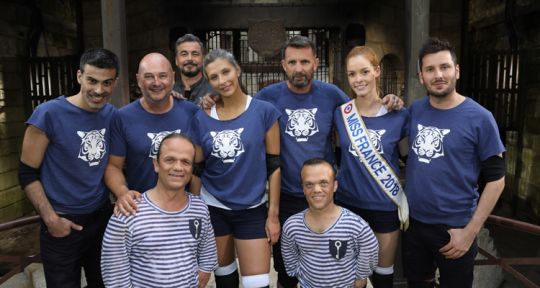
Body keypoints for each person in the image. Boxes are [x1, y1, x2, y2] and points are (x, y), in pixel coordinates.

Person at [403, 37, 505, 287]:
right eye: (430, 69)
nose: (438, 75)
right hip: (413, 225)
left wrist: (469, 233)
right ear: (421, 76)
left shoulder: (481, 118)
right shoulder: (415, 110)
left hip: (455, 229)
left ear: (456, 71)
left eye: (445, 67)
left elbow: (497, 180)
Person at [18, 48, 119, 287]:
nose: (98, 90)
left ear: (114, 83)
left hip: (101, 219)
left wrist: (175, 97)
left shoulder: (112, 114)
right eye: (92, 80)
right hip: (62, 222)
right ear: (79, 77)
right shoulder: (47, 114)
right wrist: (51, 219)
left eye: (106, 83)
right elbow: (26, 172)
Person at [190, 48, 281, 288]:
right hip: (213, 207)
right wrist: (196, 212)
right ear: (208, 82)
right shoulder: (201, 116)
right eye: (214, 77)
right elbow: (197, 168)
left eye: (226, 72)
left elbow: (274, 166)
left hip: (252, 208)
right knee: (225, 279)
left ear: (238, 70)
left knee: (257, 283)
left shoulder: (264, 112)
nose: (222, 81)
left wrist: (272, 215)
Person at [333, 46, 409, 288]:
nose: (358, 79)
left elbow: (410, 158)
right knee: (347, 275)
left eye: (364, 71)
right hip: (347, 205)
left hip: (385, 205)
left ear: (377, 71)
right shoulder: (341, 114)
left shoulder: (398, 114)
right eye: (352, 74)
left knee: (383, 274)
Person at [101, 133, 218, 288]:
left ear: (191, 169)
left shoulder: (199, 209)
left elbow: (207, 252)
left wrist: (204, 270)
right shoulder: (129, 213)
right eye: (170, 160)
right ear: (156, 164)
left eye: (185, 162)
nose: (178, 167)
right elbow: (115, 277)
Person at [105, 52, 199, 216]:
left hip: (184, 209)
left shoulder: (192, 112)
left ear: (172, 77)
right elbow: (113, 166)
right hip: (139, 209)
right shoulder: (122, 118)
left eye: (162, 76)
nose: (156, 82)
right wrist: (122, 192)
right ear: (139, 79)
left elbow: (200, 163)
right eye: (149, 76)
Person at [281, 158, 378, 288]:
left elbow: (369, 253)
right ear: (303, 188)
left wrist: (360, 277)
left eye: (324, 183)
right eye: (309, 184)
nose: (316, 189)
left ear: (335, 185)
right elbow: (291, 261)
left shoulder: (356, 226)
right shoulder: (292, 226)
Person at [173, 33, 214, 105]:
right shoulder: (169, 93)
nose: (190, 59)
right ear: (176, 60)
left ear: (203, 59)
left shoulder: (215, 90)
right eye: (184, 54)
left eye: (195, 54)